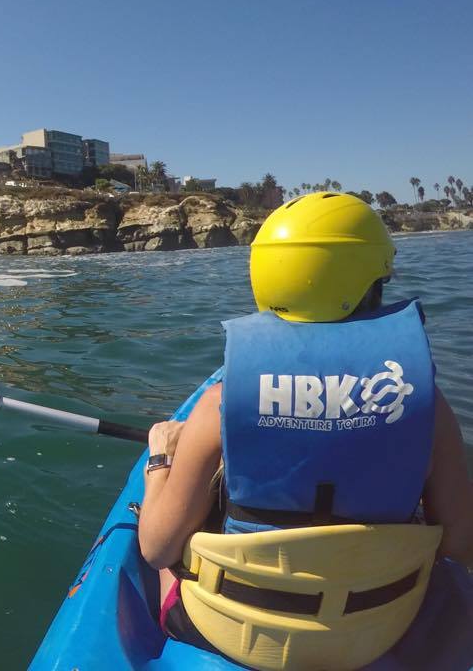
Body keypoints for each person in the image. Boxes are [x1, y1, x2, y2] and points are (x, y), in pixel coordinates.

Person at [137, 192, 473, 667]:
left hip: (231, 632)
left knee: (168, 549)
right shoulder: (424, 404)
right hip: (376, 632)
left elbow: (156, 548)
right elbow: (459, 546)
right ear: (373, 281)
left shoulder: (219, 406)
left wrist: (160, 460)